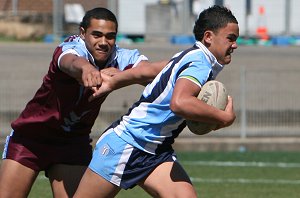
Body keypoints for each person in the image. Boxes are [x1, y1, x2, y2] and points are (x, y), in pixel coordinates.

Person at [0, 7, 167, 198]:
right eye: (96, 35)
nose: (103, 42)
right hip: (31, 138)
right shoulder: (71, 49)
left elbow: (151, 71)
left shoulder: (121, 57)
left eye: (110, 36)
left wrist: (187, 65)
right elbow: (70, 62)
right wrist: (87, 69)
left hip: (72, 142)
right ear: (82, 33)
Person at [74, 5, 238, 198]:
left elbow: (149, 70)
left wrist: (115, 81)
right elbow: (179, 102)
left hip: (156, 150)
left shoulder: (192, 55)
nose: (235, 45)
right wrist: (224, 117)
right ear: (209, 37)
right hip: (127, 143)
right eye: (231, 39)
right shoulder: (199, 64)